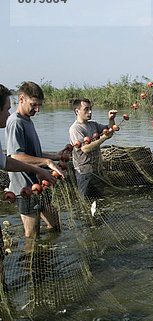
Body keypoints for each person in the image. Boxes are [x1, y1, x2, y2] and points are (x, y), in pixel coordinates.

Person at [6, 82, 64, 244]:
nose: (37, 109)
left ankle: (47, 253)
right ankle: (31, 265)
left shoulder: (27, 120)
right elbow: (16, 157)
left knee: (55, 225)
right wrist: (45, 161)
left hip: (40, 183)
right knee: (31, 235)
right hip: (25, 188)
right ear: (21, 99)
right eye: (33, 105)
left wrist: (54, 157)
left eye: (39, 105)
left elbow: (32, 154)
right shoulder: (15, 122)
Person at [69, 99, 117, 199]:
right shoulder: (75, 129)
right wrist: (104, 137)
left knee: (99, 201)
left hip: (97, 170)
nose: (90, 112)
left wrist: (111, 119)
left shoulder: (93, 124)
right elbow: (85, 149)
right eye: (86, 109)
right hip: (84, 173)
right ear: (77, 111)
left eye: (90, 108)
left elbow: (110, 130)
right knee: (87, 201)